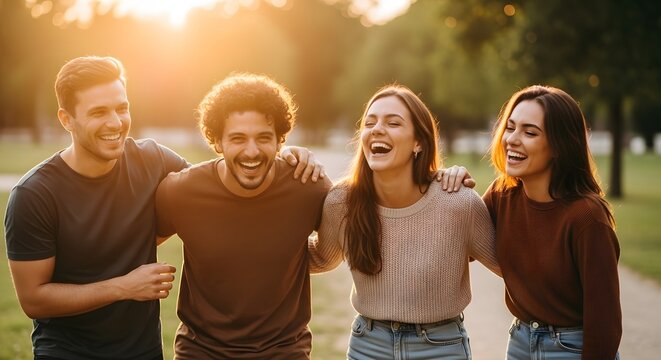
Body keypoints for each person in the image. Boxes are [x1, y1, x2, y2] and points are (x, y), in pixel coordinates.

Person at [3, 56, 323, 360]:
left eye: (121, 108)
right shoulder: (34, 195)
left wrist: (281, 153)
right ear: (66, 119)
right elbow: (34, 299)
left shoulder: (154, 160)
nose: (115, 122)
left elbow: (222, 184)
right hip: (68, 352)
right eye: (98, 112)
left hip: (143, 351)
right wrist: (123, 287)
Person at [308, 84, 500, 359]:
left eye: (393, 123)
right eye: (370, 122)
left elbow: (511, 267)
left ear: (418, 142)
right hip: (369, 346)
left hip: (440, 348)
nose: (377, 129)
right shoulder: (343, 201)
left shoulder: (458, 203)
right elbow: (321, 258)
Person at [154, 73, 333, 359]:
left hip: (284, 352)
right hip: (201, 352)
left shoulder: (308, 188)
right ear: (217, 141)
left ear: (280, 141)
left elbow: (332, 251)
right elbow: (139, 246)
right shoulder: (181, 192)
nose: (252, 151)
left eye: (264, 138)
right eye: (238, 138)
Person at [443, 85, 622, 359]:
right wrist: (451, 189)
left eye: (530, 132)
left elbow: (604, 321)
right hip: (520, 343)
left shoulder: (587, 217)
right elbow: (456, 247)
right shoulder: (503, 195)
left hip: (571, 349)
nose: (512, 139)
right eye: (510, 127)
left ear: (559, 146)